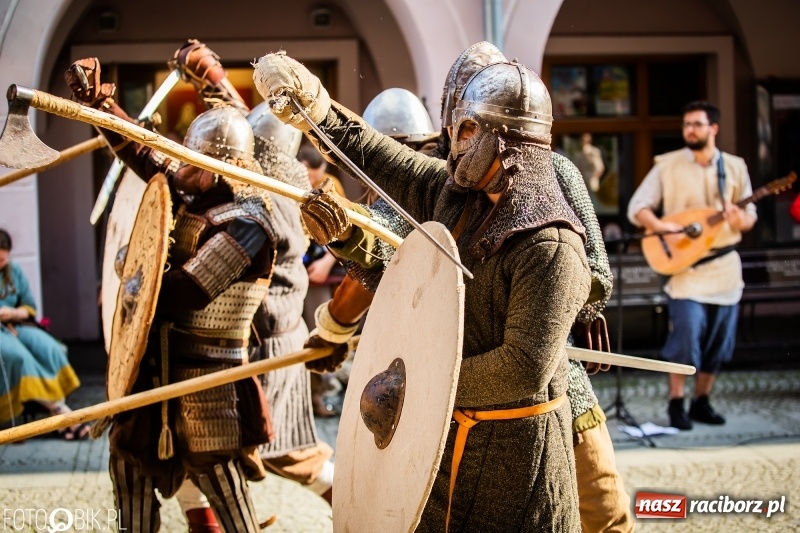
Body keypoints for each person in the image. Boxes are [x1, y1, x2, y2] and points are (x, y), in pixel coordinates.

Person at [255, 51, 591, 531]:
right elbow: (379, 156)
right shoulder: (453, 193)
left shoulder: (552, 247)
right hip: (444, 438)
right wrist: (316, 110)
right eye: (458, 127)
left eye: (470, 130)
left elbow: (523, 370)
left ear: (511, 143)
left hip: (515, 458)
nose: (455, 142)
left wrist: (418, 389)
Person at [66, 58, 277, 532]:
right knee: (129, 463)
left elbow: (183, 292)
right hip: (155, 369)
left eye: (192, 160)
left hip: (209, 379)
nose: (180, 165)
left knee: (222, 486)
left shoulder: (247, 224)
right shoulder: (193, 192)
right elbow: (145, 155)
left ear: (217, 168)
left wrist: (133, 272)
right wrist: (101, 106)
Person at [167, 40, 336, 524]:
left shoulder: (275, 204)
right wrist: (213, 80)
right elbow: (243, 131)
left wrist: (215, 82)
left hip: (269, 349)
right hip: (255, 343)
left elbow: (245, 150)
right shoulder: (277, 184)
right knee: (198, 451)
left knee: (288, 455)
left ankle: (365, 508)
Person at [627, 100, 757, 431]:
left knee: (717, 342)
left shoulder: (736, 167)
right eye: (686, 124)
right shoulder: (667, 166)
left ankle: (702, 401)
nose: (690, 130)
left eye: (697, 124)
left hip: (725, 269)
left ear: (713, 128)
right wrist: (660, 227)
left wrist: (738, 216)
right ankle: (676, 402)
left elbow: (749, 220)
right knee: (686, 336)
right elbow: (638, 207)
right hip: (685, 273)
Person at [0, 229, 89, 440]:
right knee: (18, 357)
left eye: (3, 259)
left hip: (15, 324)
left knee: (51, 348)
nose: (0, 263)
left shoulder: (14, 271)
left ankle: (57, 417)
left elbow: (29, 307)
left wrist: (11, 313)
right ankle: (60, 412)